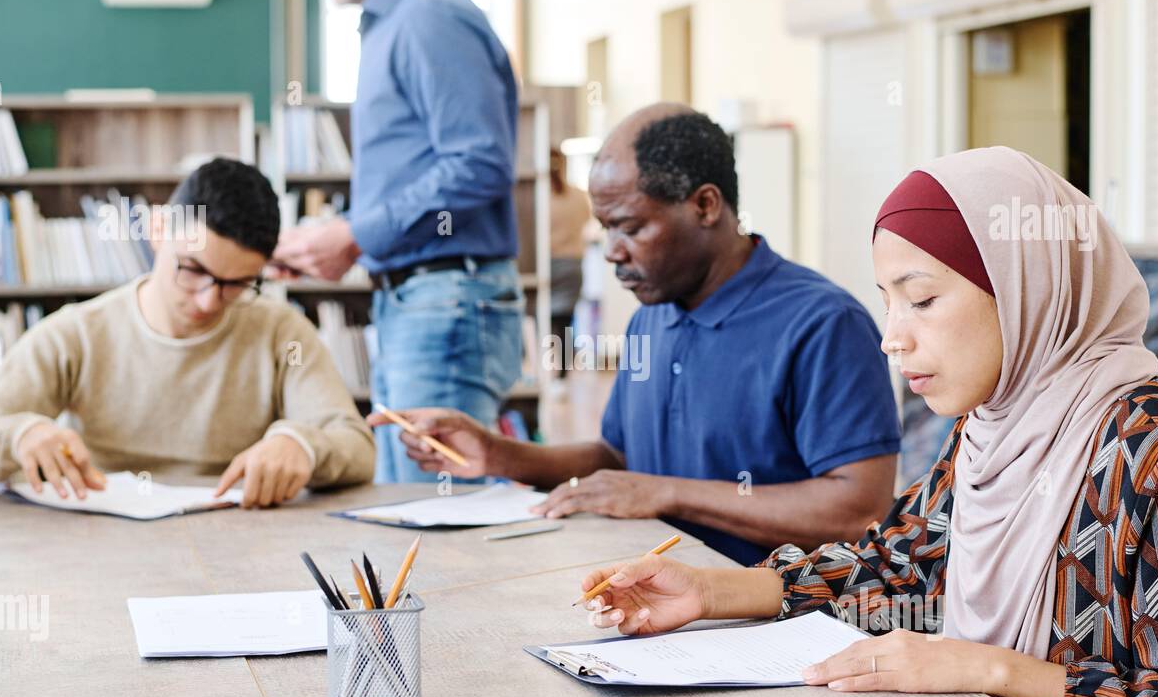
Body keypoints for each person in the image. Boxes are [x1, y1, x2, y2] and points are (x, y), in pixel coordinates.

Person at [575, 146, 1158, 697]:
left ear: (1024, 288)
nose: (892, 336)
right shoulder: (987, 431)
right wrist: (711, 593)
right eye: (888, 300)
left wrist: (990, 670)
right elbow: (901, 566)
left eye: (921, 300)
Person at [376, 105, 901, 565]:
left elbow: (857, 510)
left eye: (630, 227)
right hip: (654, 601)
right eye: (605, 228)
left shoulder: (823, 324)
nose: (611, 250)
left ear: (705, 206)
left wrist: (667, 493)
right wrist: (496, 455)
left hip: (775, 623)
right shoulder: (653, 314)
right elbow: (621, 460)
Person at [0, 158, 374, 507]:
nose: (209, 300)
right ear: (157, 232)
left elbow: (357, 447)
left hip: (235, 540)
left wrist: (303, 444)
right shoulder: (76, 334)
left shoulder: (282, 334)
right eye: (192, 270)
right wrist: (19, 435)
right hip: (99, 543)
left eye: (237, 284)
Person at [276, 0, 523, 483]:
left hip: (445, 301)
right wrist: (345, 235)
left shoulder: (428, 17)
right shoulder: (396, 22)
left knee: (435, 523)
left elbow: (480, 163)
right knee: (410, 508)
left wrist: (358, 234)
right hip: (419, 300)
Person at [547, 145, 594, 378]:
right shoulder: (578, 196)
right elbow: (587, 222)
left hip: (548, 265)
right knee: (564, 322)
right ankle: (562, 376)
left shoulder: (540, 197)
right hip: (572, 264)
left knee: (543, 322)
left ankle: (542, 372)